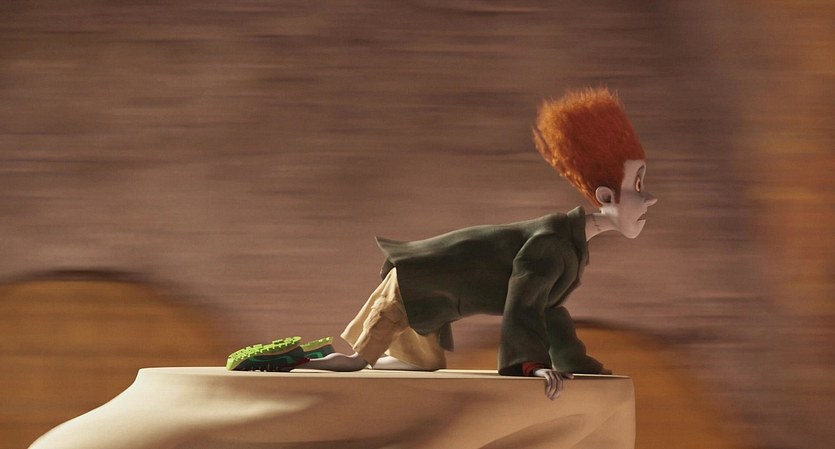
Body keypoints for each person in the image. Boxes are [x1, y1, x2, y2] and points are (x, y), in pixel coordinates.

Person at [227, 87, 657, 400]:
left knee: (423, 365)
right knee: (355, 362)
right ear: (605, 197)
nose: (650, 198)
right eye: (638, 185)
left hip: (435, 299)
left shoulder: (568, 246)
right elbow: (523, 307)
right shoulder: (552, 244)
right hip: (414, 283)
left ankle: (318, 357)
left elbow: (550, 310)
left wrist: (574, 362)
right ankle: (297, 358)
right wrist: (530, 366)